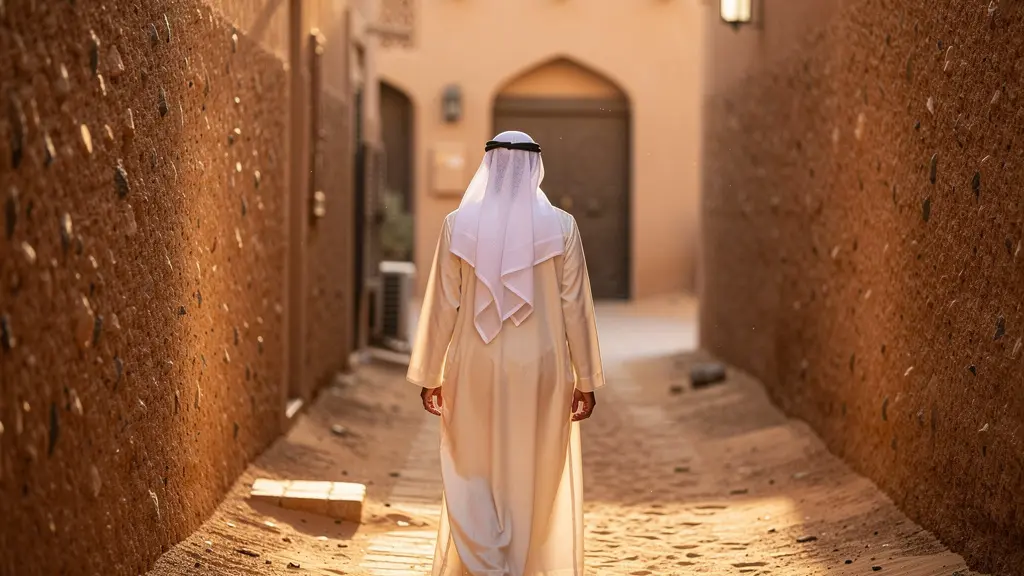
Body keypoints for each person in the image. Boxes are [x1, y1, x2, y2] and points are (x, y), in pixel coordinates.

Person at [407, 130, 605, 576]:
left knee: (471, 462)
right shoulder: (562, 227)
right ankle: (517, 560)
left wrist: (429, 373)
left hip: (472, 365)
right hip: (543, 367)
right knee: (533, 466)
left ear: (489, 166)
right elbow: (577, 306)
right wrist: (587, 380)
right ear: (536, 166)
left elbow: (442, 305)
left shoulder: (459, 225)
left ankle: (484, 560)